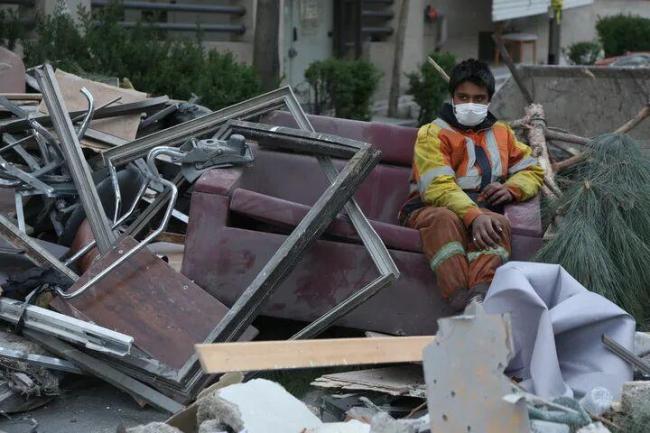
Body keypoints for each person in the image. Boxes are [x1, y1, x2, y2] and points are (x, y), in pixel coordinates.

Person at [399, 58, 544, 311]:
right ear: (452, 97)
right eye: (463, 97)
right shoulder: (432, 133)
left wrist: (510, 189)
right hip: (429, 209)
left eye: (478, 99)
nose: (470, 104)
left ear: (489, 100)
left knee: (497, 224)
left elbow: (532, 169)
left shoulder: (503, 133)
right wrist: (473, 216)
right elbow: (437, 187)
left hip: (482, 210)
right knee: (445, 219)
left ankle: (479, 298)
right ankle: (460, 300)